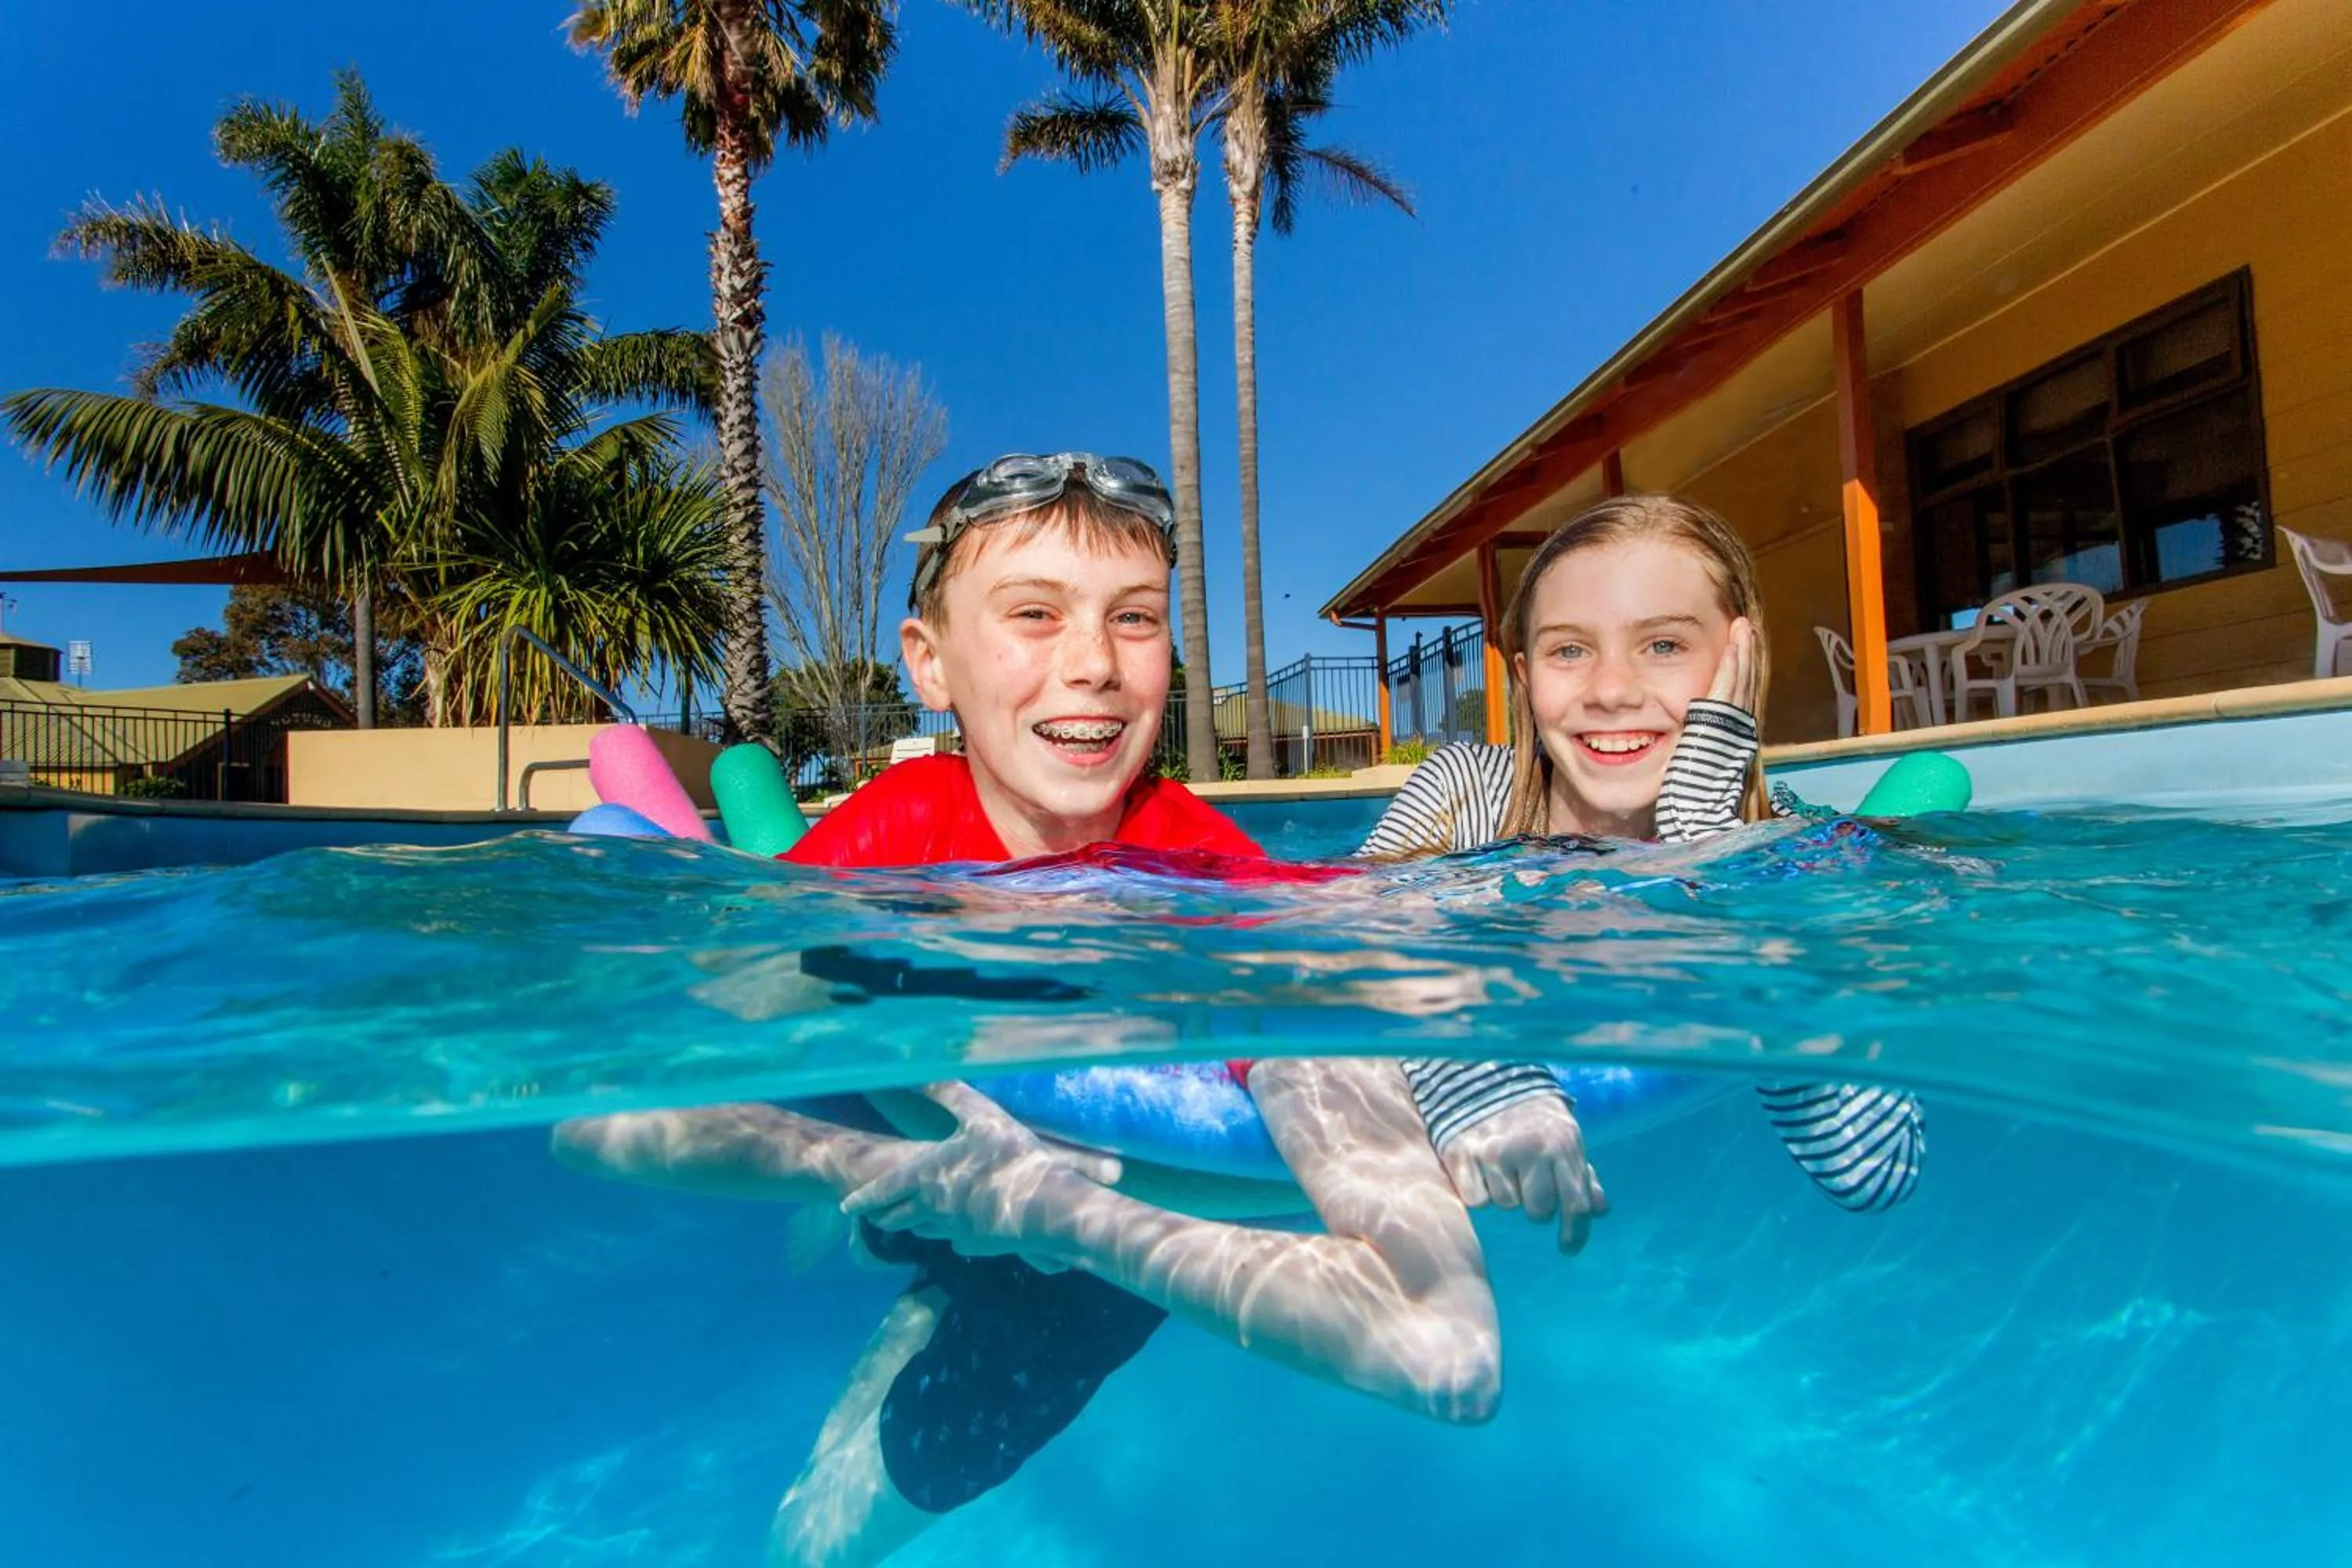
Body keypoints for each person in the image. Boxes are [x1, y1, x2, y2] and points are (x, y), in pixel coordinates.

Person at [554, 454, 1604, 1568]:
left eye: (1135, 619)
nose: (1094, 664)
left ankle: (920, 1277)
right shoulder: (900, 827)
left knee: (822, 1544)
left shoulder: (1208, 881)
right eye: (1035, 615)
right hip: (924, 1170)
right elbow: (604, 1119)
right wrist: (861, 1168)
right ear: (931, 664)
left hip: (1081, 1288)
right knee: (893, 1222)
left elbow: (1449, 1354)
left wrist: (1482, 1078)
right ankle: (895, 1246)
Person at [1356, 492, 1926, 1214]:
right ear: (1528, 680)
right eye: (1570, 650)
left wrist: (1704, 843)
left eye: (1664, 645)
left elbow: (1873, 1168)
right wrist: (1471, 1066)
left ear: (1739, 659)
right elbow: (1341, 945)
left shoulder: (1797, 850)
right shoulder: (1467, 792)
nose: (1613, 691)